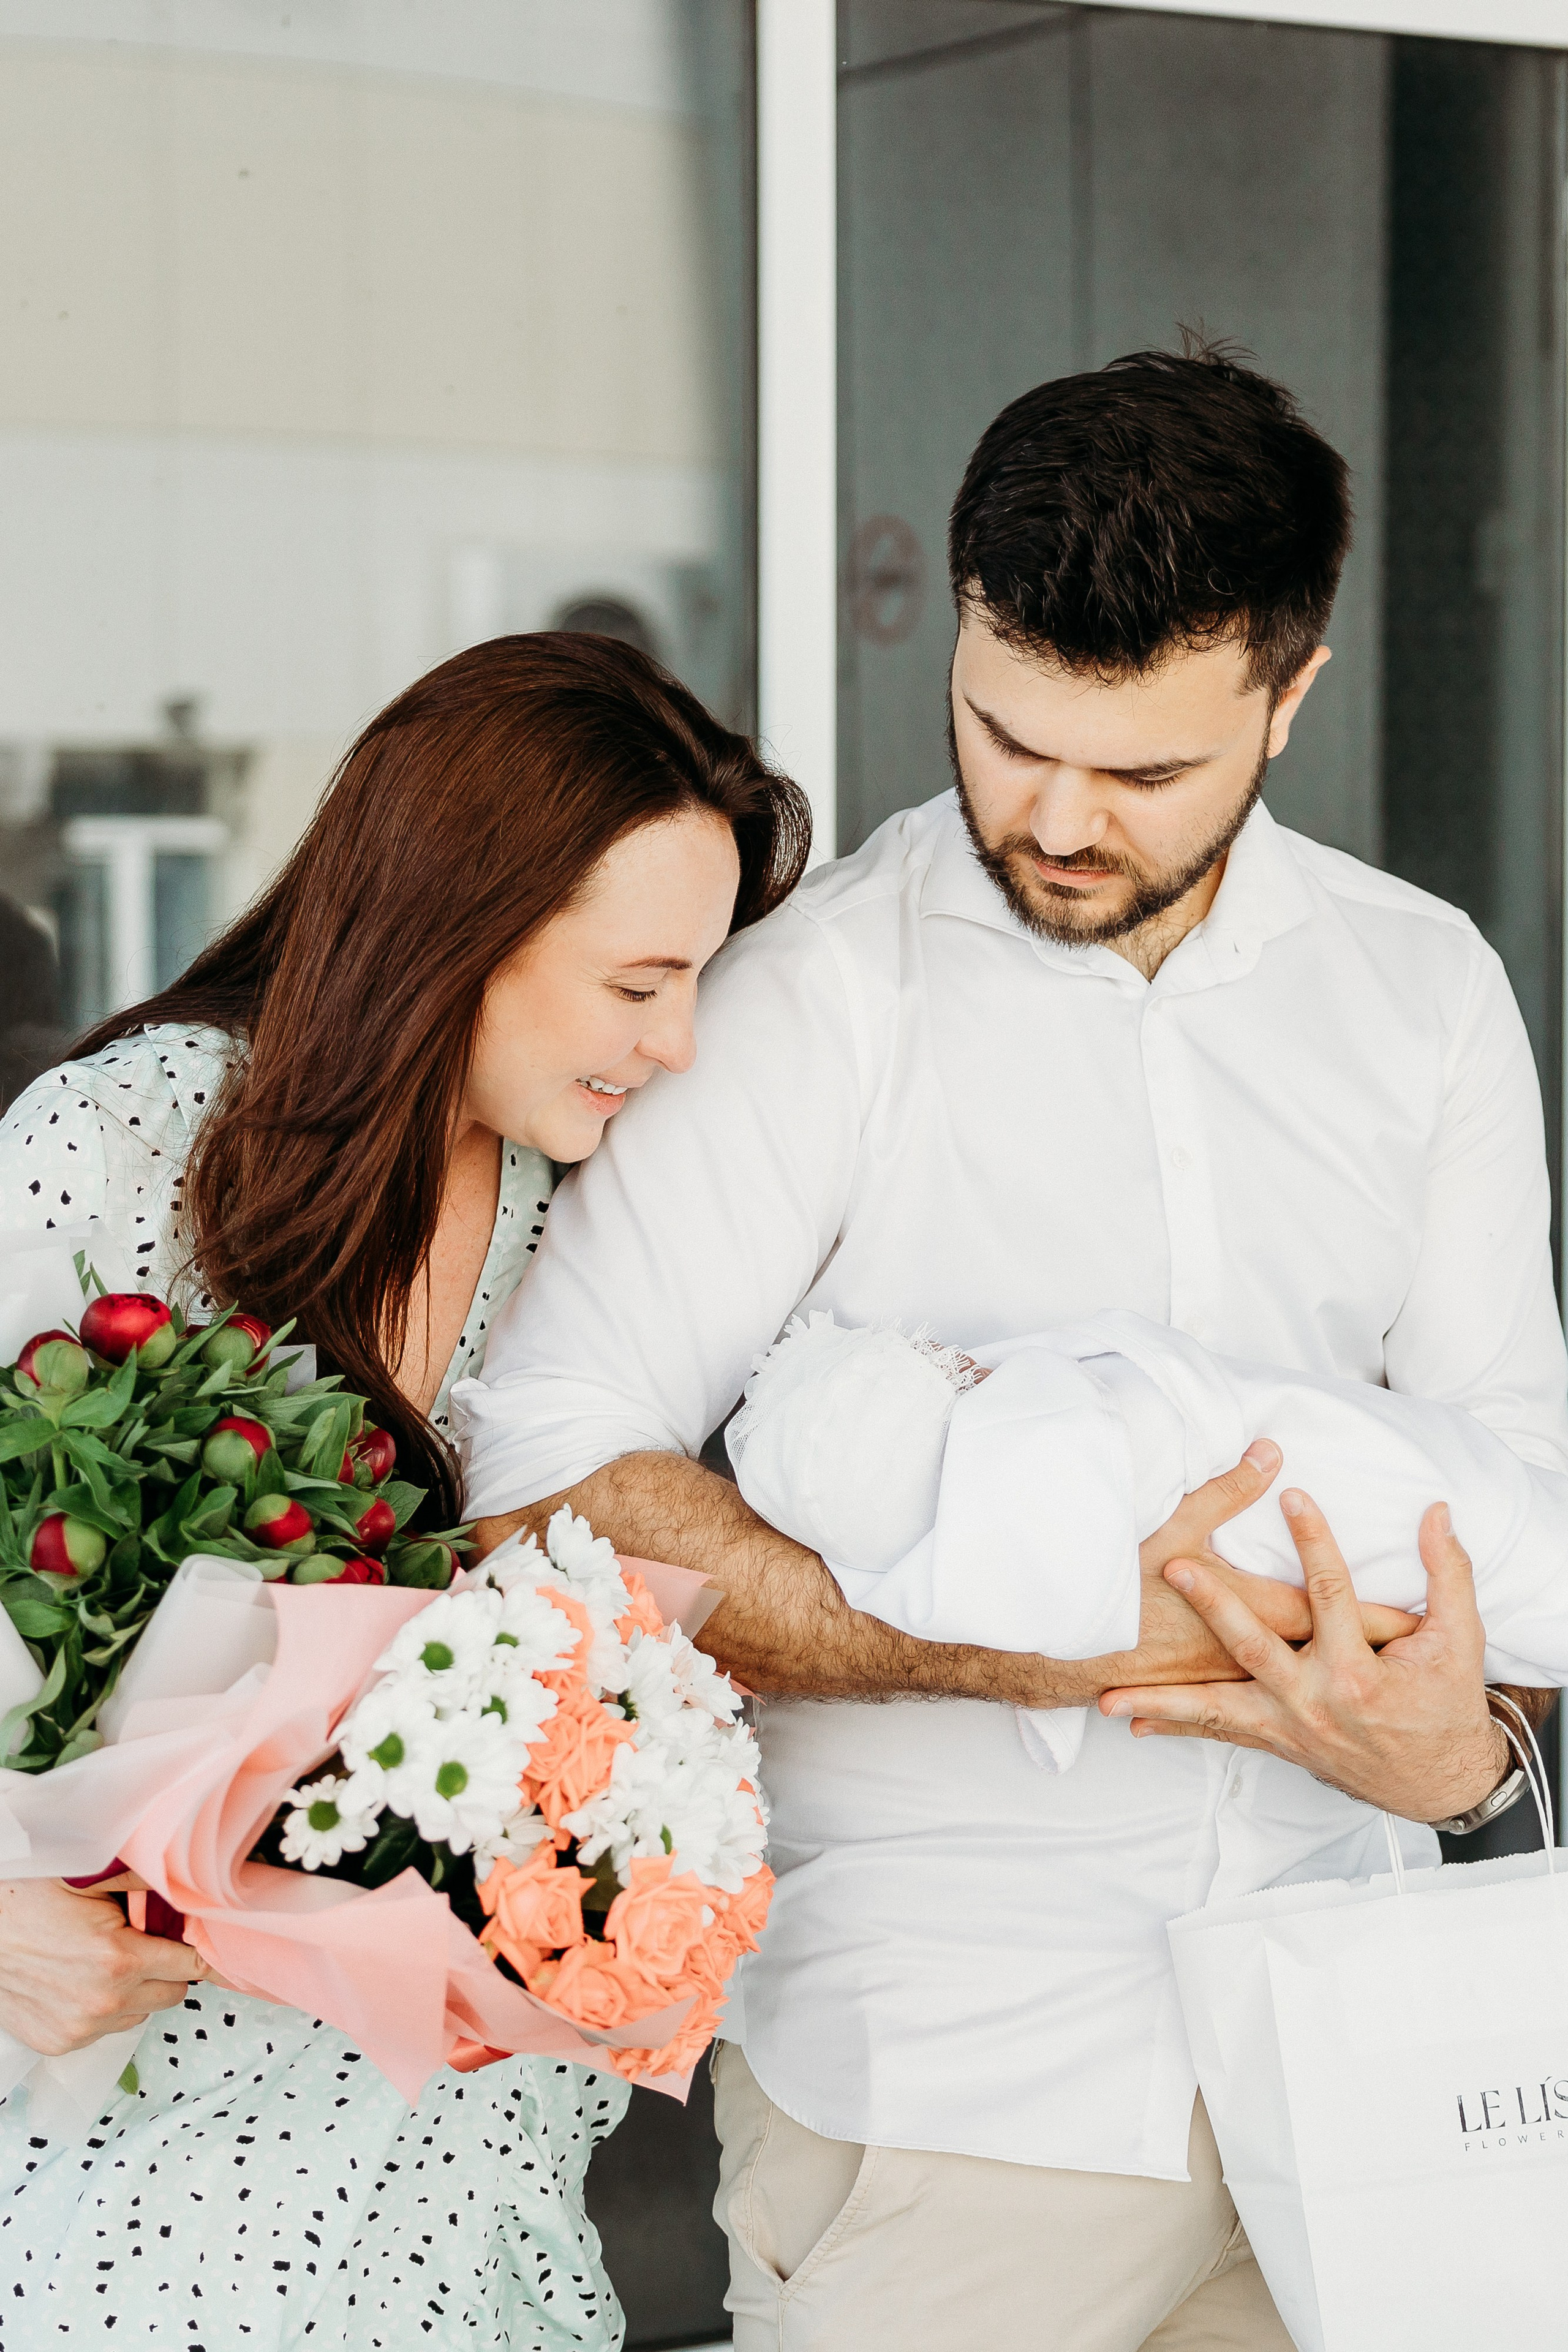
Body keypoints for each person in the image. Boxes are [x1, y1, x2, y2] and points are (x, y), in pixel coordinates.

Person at [456, 346, 1568, 2350]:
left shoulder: (1426, 992)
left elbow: (1514, 1488)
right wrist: (1018, 1644)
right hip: (954, 2100)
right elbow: (543, 1474)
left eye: (1141, 775)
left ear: (1291, 695)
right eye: (1004, 733)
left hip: (1366, 2076)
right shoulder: (809, 998)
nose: (1052, 818)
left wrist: (1466, 1756)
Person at [0, 631, 809, 2350]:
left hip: (482, 2170)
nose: (678, 1045)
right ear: (462, 929)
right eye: (638, 984)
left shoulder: (595, 1203)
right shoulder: (122, 1149)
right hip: (154, 2162)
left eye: (699, 985)